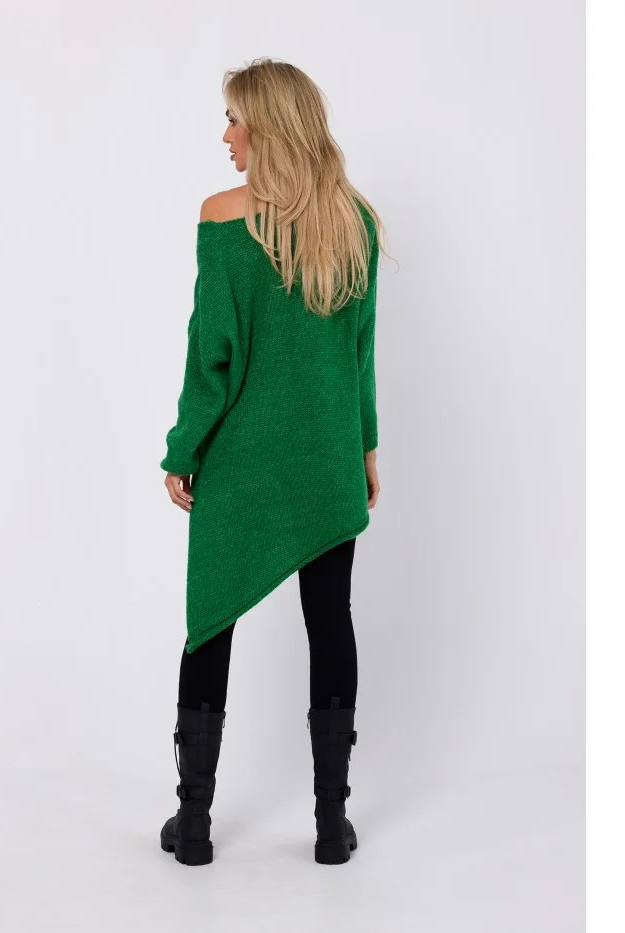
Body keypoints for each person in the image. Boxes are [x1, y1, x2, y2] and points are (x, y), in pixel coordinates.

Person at [158, 58, 389, 866]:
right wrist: (363, 448)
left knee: (209, 623)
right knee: (331, 622)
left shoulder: (223, 219)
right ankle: (330, 824)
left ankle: (193, 823)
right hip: (326, 457)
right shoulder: (353, 221)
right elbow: (359, 355)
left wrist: (183, 449)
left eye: (233, 119)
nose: (226, 135)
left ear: (266, 124)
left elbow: (211, 358)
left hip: (241, 463)